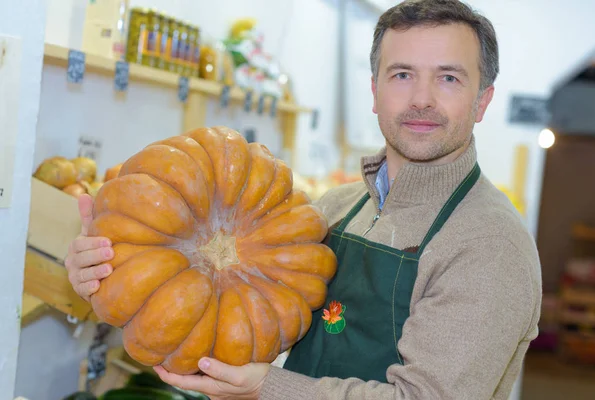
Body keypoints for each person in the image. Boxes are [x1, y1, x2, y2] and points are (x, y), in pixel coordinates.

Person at [65, 0, 542, 398]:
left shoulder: (490, 244)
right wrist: (113, 271)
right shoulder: (333, 211)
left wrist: (265, 390)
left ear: (483, 100)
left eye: (449, 78)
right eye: (401, 75)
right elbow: (233, 324)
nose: (421, 98)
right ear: (374, 91)